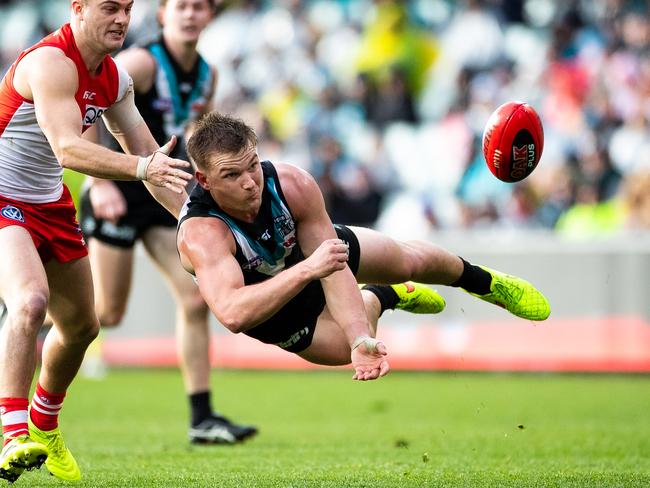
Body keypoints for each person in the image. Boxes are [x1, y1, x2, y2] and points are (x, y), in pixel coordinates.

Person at [176, 112, 551, 381]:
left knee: (405, 260)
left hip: (310, 256)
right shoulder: (203, 234)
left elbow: (334, 264)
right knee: (343, 351)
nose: (249, 183)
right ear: (204, 180)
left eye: (252, 166)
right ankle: (381, 297)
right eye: (232, 175)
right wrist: (313, 279)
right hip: (269, 306)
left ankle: (486, 283)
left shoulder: (292, 184)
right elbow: (233, 313)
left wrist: (360, 335)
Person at [0, 0, 194, 483]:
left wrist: (196, 224)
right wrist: (140, 167)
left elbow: (153, 160)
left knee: (84, 326)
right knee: (29, 301)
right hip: (3, 196)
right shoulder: (48, 62)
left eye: (128, 9)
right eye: (110, 8)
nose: (123, 19)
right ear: (79, 9)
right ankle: (10, 433)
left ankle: (44, 423)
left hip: (50, 203)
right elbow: (67, 147)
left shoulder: (115, 79)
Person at [79, 0, 257, 445]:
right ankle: (27, 309)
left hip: (163, 197)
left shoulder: (207, 75)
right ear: (162, 14)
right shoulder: (140, 61)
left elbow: (199, 137)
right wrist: (99, 184)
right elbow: (89, 103)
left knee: (197, 298)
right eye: (181, 6)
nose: (191, 14)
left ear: (210, 16)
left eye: (200, 7)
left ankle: (202, 418)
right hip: (118, 192)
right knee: (105, 314)